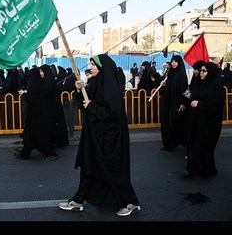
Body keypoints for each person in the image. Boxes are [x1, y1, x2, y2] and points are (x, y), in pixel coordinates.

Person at [58, 54, 140, 217]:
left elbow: (113, 113)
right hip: (95, 135)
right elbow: (85, 105)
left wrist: (92, 107)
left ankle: (130, 202)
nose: (90, 67)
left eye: (93, 65)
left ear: (102, 68)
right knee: (89, 167)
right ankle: (79, 199)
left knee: (113, 171)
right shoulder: (95, 82)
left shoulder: (110, 86)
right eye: (90, 64)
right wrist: (79, 89)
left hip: (110, 138)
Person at [183, 62, 225, 178]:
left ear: (210, 73)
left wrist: (200, 104)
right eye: (201, 70)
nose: (201, 73)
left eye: (204, 71)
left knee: (205, 146)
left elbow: (216, 104)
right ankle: (194, 167)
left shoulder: (217, 87)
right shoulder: (199, 84)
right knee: (195, 145)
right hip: (196, 122)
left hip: (208, 124)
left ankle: (205, 168)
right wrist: (188, 98)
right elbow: (193, 94)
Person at [14, 67, 58, 161]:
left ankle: (50, 153)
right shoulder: (39, 83)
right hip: (37, 115)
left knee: (42, 136)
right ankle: (25, 153)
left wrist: (25, 94)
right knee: (30, 136)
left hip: (38, 116)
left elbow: (32, 98)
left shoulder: (34, 85)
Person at [159, 55, 188, 151]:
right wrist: (163, 85)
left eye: (175, 61)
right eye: (172, 61)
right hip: (168, 103)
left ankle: (175, 142)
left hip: (176, 103)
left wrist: (183, 103)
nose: (173, 63)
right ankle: (168, 144)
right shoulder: (170, 74)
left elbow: (184, 90)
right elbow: (167, 89)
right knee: (165, 122)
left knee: (174, 123)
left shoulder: (182, 75)